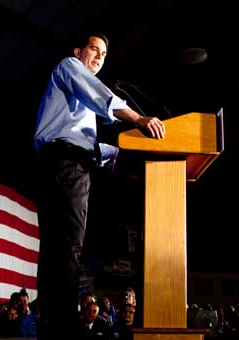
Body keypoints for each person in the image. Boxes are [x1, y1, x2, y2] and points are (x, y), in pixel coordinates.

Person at [34, 31, 165, 340]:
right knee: (67, 245)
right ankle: (64, 323)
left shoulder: (75, 105)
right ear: (78, 50)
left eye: (104, 54)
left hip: (59, 164)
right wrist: (138, 119)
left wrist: (117, 153)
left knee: (55, 247)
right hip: (65, 166)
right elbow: (99, 96)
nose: (99, 56)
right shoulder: (69, 66)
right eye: (94, 49)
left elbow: (78, 139)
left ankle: (52, 321)